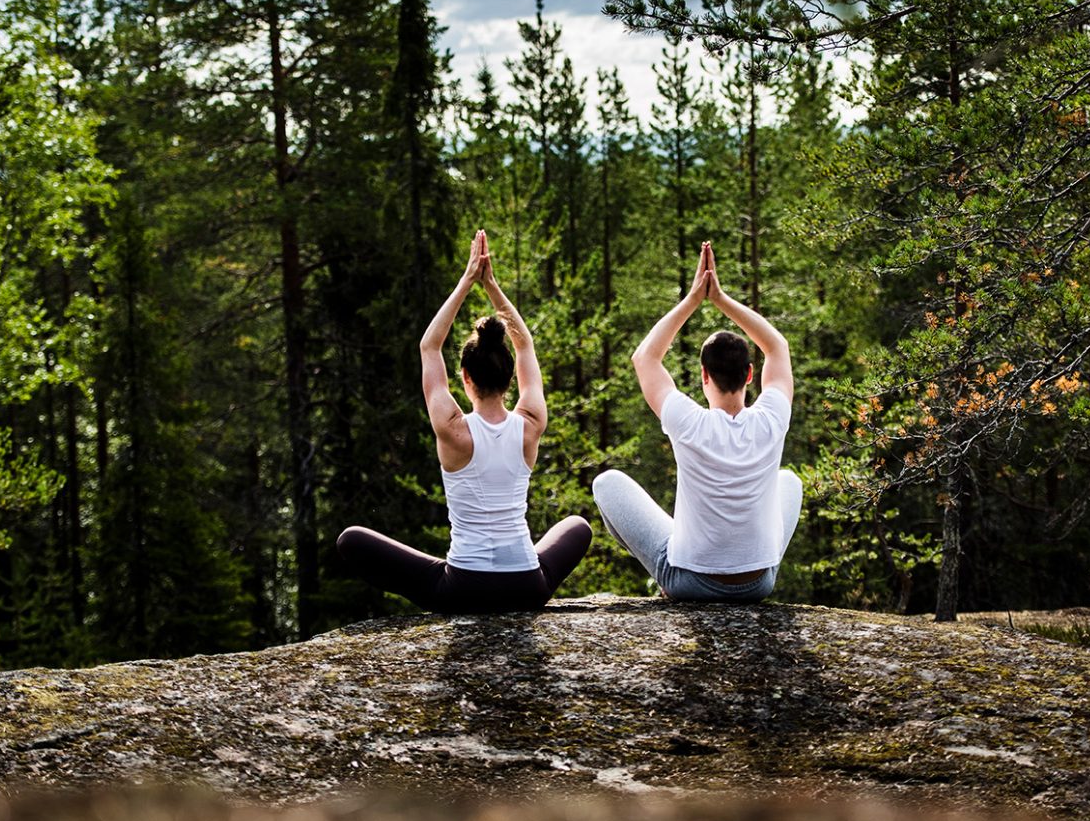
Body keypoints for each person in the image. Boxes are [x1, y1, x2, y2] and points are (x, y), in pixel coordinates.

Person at [336, 230, 592, 613]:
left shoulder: (452, 429)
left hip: (463, 590)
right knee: (578, 526)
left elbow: (429, 346)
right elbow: (525, 344)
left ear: (465, 378)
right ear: (510, 379)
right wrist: (492, 288)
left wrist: (467, 281)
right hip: (527, 587)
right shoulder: (530, 424)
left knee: (351, 540)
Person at [592, 241, 799, 602]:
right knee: (790, 481)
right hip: (758, 584)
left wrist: (693, 299)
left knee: (606, 482)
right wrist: (721, 299)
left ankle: (669, 575)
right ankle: (743, 559)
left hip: (689, 583)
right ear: (750, 375)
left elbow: (645, 358)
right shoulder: (772, 418)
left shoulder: (688, 422)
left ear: (704, 375)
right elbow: (777, 347)